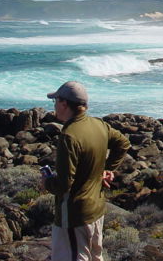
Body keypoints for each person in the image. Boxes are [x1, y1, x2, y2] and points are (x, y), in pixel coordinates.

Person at [42, 81, 130, 261]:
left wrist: (46, 182)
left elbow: (63, 185)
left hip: (74, 216)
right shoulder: (98, 125)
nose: (55, 106)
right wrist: (108, 169)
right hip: (96, 209)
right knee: (95, 257)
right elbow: (123, 143)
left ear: (64, 103)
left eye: (55, 101)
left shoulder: (69, 136)